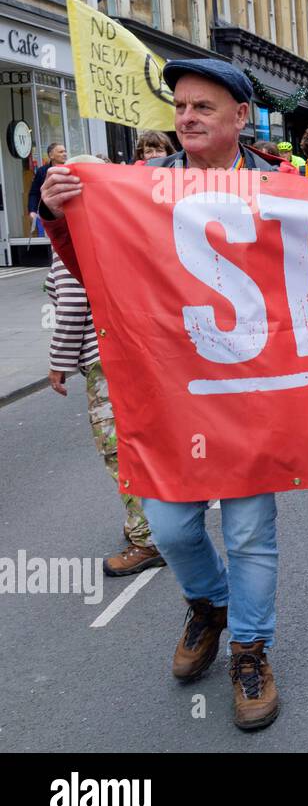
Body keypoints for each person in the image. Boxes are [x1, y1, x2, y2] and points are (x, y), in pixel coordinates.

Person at [38, 57, 294, 731]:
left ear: (241, 116)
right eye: (180, 107)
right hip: (170, 393)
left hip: (251, 393)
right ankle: (208, 606)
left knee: (247, 531)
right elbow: (94, 264)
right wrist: (60, 214)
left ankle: (250, 649)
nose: (186, 118)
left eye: (203, 107)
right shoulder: (140, 189)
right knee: (176, 528)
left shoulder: (285, 186)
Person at [45, 156, 166, 579]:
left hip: (104, 357)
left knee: (119, 448)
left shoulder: (82, 232)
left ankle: (147, 537)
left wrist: (58, 362)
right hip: (133, 352)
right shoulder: (115, 227)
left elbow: (74, 304)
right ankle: (155, 523)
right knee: (142, 442)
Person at [27, 142, 65, 236]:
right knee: (48, 241)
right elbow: (34, 193)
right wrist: (32, 211)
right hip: (47, 215)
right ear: (51, 155)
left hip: (66, 214)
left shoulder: (70, 169)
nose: (64, 154)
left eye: (65, 151)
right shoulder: (42, 172)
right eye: (60, 152)